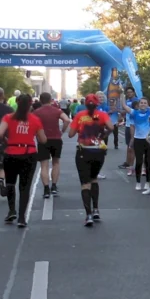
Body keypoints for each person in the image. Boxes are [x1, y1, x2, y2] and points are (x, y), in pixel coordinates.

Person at [0, 94, 47, 227]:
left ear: (17, 103)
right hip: (29, 154)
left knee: (10, 183)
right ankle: (22, 217)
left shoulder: (8, 117)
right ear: (30, 104)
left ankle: (11, 210)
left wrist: (7, 140)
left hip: (11, 153)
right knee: (25, 187)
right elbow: (43, 140)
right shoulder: (35, 119)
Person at [67, 93, 113, 227]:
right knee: (94, 179)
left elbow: (70, 134)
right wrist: (103, 136)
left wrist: (80, 130)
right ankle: (96, 209)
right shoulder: (102, 115)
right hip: (98, 151)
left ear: (85, 104)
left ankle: (88, 215)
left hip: (84, 151)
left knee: (85, 184)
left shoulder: (79, 116)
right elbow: (111, 127)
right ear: (97, 104)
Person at [32, 91, 69, 199]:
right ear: (50, 100)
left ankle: (46, 189)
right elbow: (67, 120)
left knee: (44, 165)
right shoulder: (57, 110)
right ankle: (54, 186)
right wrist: (62, 131)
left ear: (40, 100)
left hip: (42, 139)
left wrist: (36, 134)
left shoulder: (36, 112)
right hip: (56, 138)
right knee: (56, 162)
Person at [122, 97, 150, 192]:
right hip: (138, 140)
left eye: (145, 103)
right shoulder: (134, 113)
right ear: (139, 104)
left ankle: (147, 182)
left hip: (148, 140)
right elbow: (124, 105)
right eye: (141, 103)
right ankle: (138, 182)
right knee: (139, 162)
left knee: (148, 162)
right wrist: (121, 94)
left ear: (148, 104)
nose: (143, 104)